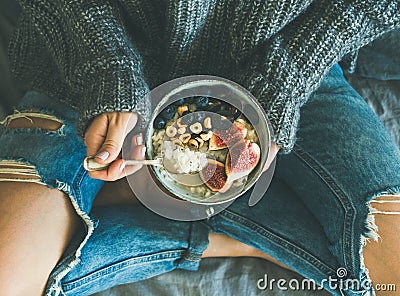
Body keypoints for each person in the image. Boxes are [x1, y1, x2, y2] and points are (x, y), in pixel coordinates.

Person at [0, 0, 399, 295]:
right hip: (90, 62)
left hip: (291, 67)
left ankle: (223, 232)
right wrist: (108, 73)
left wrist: (284, 81)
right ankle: (256, 234)